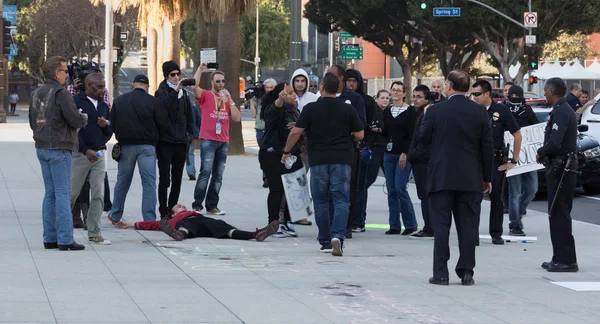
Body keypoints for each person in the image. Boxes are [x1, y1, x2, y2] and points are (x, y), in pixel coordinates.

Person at [419, 70, 493, 285]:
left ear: (449, 85)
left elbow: (422, 139)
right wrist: (486, 177)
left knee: (441, 226)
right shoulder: (480, 112)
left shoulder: (435, 111)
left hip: (441, 175)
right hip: (470, 177)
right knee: (468, 226)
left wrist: (425, 118)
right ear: (468, 88)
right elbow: (487, 147)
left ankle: (441, 272)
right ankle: (467, 270)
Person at [281, 72, 364, 256]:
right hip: (342, 160)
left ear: (322, 88)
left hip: (318, 160)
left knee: (320, 201)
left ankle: (325, 240)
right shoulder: (348, 109)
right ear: (339, 89)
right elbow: (360, 135)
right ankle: (338, 236)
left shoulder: (311, 109)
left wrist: (286, 151)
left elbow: (295, 132)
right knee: (341, 199)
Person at [29, 56, 89, 251]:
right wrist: (83, 118)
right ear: (57, 73)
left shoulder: (36, 92)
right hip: (60, 147)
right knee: (63, 194)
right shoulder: (60, 93)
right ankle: (65, 239)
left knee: (50, 194)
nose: (67, 75)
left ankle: (50, 238)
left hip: (42, 146)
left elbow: (32, 120)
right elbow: (74, 119)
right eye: (64, 71)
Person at [108, 75, 170, 224]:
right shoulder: (154, 102)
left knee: (122, 181)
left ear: (132, 84)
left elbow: (112, 123)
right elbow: (164, 125)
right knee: (149, 182)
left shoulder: (119, 101)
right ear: (147, 86)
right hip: (147, 147)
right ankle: (149, 218)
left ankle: (115, 214)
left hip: (126, 146)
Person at [471, 80, 521, 245]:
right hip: (476, 160)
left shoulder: (502, 110)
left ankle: (496, 233)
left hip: (495, 159)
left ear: (487, 94)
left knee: (496, 198)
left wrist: (513, 160)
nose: (474, 97)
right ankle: (472, 234)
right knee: (474, 197)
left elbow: (517, 135)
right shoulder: (472, 110)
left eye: (477, 94)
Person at [537, 77, 579, 273]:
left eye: (545, 90)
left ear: (552, 91)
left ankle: (567, 260)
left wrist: (541, 151)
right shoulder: (561, 109)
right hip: (560, 167)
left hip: (562, 168)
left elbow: (555, 142)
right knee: (556, 213)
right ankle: (559, 256)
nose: (544, 93)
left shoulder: (562, 111)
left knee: (559, 212)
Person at [191, 64, 242, 214]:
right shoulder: (206, 95)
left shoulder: (226, 99)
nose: (221, 84)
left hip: (223, 141)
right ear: (212, 82)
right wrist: (200, 69)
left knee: (218, 175)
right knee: (205, 172)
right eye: (217, 81)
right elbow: (194, 87)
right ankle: (197, 205)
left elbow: (237, 118)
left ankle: (212, 205)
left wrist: (230, 100)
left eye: (222, 81)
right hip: (208, 140)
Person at [69, 73, 112, 245]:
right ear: (89, 86)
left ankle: (94, 232)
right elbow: (72, 131)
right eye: (99, 87)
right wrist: (86, 150)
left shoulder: (104, 106)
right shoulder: (76, 102)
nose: (103, 90)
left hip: (99, 155)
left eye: (104, 86)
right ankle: (59, 230)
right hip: (80, 155)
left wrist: (106, 126)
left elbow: (109, 131)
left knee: (98, 194)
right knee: (72, 193)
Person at [258, 83, 305, 238]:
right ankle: (273, 223)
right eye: (290, 93)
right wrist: (279, 99)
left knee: (293, 191)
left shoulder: (295, 111)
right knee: (277, 190)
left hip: (292, 155)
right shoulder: (274, 108)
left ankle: (288, 222)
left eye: (293, 93)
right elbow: (273, 112)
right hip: (273, 154)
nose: (294, 96)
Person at [327, 65, 367, 238]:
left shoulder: (354, 98)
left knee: (347, 188)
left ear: (340, 78)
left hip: (347, 151)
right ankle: (330, 224)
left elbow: (361, 124)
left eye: (331, 75)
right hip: (326, 151)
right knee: (327, 189)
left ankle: (346, 225)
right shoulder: (323, 98)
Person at [154, 61, 195, 218]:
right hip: (165, 143)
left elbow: (189, 115)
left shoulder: (183, 94)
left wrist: (190, 134)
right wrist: (175, 91)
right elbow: (163, 108)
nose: (176, 77)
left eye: (178, 74)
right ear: (166, 76)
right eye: (173, 75)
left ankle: (172, 208)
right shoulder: (161, 92)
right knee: (165, 178)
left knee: (177, 179)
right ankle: (163, 210)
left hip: (180, 142)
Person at [116, 204, 280, 242]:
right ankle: (178, 235)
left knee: (225, 228)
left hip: (203, 221)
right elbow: (150, 224)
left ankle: (256, 234)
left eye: (182, 205)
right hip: (188, 224)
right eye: (178, 206)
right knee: (186, 226)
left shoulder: (194, 212)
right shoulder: (172, 220)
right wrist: (131, 223)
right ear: (173, 213)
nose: (182, 206)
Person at [346, 69, 381, 234]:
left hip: (362, 150)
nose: (351, 84)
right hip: (345, 149)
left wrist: (368, 145)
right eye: (348, 81)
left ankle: (358, 220)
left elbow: (375, 125)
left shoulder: (366, 101)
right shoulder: (341, 99)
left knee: (360, 187)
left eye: (354, 81)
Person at [382, 81, 418, 235]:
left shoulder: (410, 112)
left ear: (404, 93)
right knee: (391, 190)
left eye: (398, 90)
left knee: (399, 187)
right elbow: (385, 132)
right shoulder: (387, 111)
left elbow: (412, 135)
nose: (395, 92)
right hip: (388, 153)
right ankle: (394, 225)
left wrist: (405, 153)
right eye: (393, 90)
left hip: (403, 155)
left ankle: (411, 224)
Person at [505, 85, 539, 236]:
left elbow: (536, 129)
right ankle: (515, 223)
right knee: (515, 192)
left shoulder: (528, 111)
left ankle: (519, 209)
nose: (514, 99)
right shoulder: (503, 110)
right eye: (512, 96)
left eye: (517, 97)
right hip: (511, 156)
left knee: (532, 189)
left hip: (528, 157)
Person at [352, 89, 388, 232]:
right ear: (376, 99)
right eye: (382, 97)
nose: (385, 100)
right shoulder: (372, 110)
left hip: (379, 149)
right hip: (370, 149)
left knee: (364, 184)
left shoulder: (387, 113)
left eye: (387, 97)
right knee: (362, 184)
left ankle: (359, 219)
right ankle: (358, 220)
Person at [407, 85, 434, 239]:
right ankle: (429, 226)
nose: (415, 99)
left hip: (424, 160)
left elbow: (425, 139)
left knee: (425, 195)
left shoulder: (427, 113)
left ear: (426, 98)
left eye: (419, 97)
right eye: (414, 96)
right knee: (423, 195)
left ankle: (430, 227)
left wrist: (413, 154)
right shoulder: (417, 112)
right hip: (418, 159)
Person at [250, 78, 276, 188]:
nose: (269, 90)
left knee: (273, 155)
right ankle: (266, 177)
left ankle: (271, 177)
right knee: (264, 155)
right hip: (260, 130)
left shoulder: (277, 99)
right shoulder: (260, 99)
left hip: (272, 130)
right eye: (267, 87)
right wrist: (251, 101)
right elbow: (254, 114)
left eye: (271, 87)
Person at [186, 101, 201, 181]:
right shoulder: (194, 107)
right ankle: (191, 171)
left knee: (176, 155)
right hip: (192, 134)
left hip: (179, 135)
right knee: (190, 154)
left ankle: (173, 173)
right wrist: (197, 133)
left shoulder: (176, 104)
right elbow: (199, 120)